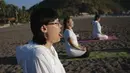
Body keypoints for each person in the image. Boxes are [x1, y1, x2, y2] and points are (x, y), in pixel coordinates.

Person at [16, 7, 66, 73]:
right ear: (44, 28)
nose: (60, 26)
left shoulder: (49, 48)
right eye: (57, 23)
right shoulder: (39, 55)